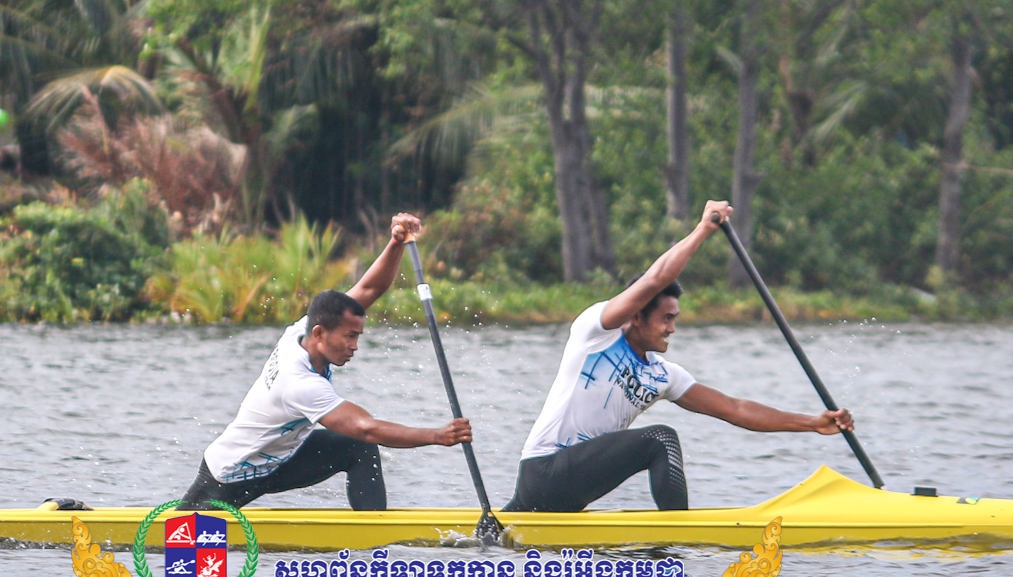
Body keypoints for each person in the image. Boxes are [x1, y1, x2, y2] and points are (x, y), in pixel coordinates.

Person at [504, 199, 854, 514]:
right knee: (660, 439)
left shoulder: (663, 375)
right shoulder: (595, 334)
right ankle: (677, 538)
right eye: (665, 319)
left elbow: (736, 409)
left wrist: (811, 423)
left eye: (675, 319)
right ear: (637, 315)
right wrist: (703, 229)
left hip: (569, 492)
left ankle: (667, 534)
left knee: (657, 440)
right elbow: (657, 278)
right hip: (544, 470)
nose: (672, 329)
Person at [179, 213, 471, 511]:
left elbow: (369, 290)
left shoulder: (304, 329)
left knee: (357, 448)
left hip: (280, 459)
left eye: (358, 336)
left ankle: (373, 535)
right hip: (230, 475)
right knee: (185, 550)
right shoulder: (299, 384)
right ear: (320, 334)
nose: (355, 346)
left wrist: (396, 242)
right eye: (349, 337)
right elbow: (368, 427)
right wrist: (437, 436)